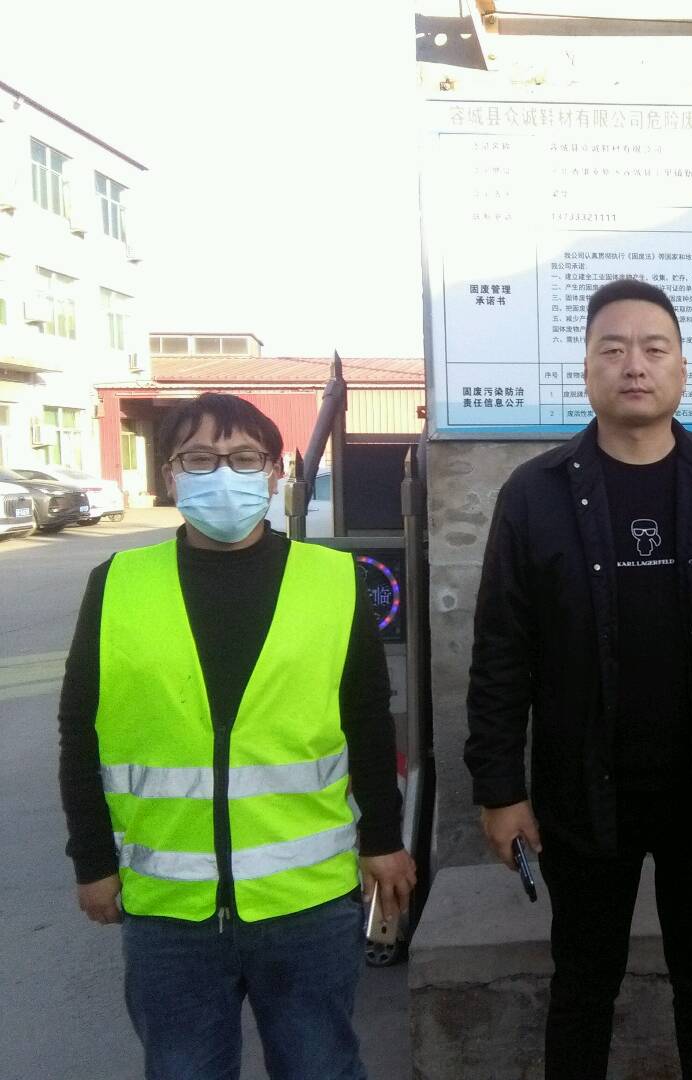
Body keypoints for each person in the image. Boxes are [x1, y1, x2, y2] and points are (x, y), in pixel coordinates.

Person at [466, 278, 692, 1079]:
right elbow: (502, 652)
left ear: (682, 367)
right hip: (583, 789)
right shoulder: (535, 495)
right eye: (612, 348)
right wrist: (499, 789)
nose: (634, 365)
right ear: (585, 369)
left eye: (654, 348)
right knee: (583, 982)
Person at [57, 392, 416, 1080]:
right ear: (170, 475)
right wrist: (91, 860)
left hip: (307, 901)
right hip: (169, 907)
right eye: (199, 458)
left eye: (244, 458)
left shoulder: (332, 581)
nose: (223, 473)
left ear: (275, 473)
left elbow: (368, 721)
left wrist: (382, 839)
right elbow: (80, 730)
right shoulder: (117, 585)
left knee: (320, 1067)